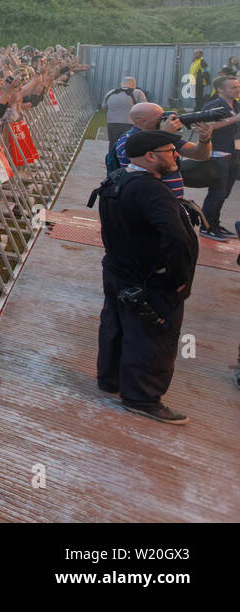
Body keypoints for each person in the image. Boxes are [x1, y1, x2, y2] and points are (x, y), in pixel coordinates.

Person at [92, 130, 198, 425]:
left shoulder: (116, 179)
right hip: (150, 281)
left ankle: (111, 379)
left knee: (116, 326)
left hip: (118, 272)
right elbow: (176, 238)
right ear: (150, 156)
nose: (176, 154)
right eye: (170, 150)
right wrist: (178, 278)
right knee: (153, 337)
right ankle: (142, 398)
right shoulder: (152, 190)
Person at [198, 75, 240, 238]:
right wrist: (233, 119)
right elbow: (205, 126)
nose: (238, 89)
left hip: (234, 154)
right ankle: (206, 226)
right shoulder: (213, 106)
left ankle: (215, 224)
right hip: (218, 154)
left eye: (238, 86)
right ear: (220, 89)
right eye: (234, 87)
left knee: (224, 193)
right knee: (217, 192)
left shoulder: (237, 105)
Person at [102, 77, 147, 164]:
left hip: (112, 123)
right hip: (130, 123)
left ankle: (111, 162)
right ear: (134, 84)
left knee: (113, 143)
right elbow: (145, 108)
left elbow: (104, 107)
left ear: (121, 83)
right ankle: (126, 163)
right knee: (129, 144)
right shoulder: (137, 93)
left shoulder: (110, 92)